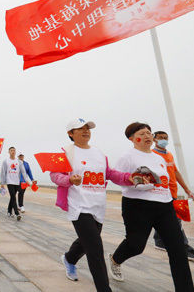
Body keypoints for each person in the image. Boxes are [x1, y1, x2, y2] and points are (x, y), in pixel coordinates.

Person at [108, 122, 194, 292]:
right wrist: (134, 180)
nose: (148, 135)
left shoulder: (159, 158)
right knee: (136, 245)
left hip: (164, 206)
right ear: (132, 138)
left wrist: (174, 199)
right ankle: (115, 260)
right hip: (137, 206)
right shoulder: (128, 157)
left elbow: (165, 181)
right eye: (143, 133)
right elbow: (116, 177)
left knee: (178, 250)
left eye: (149, 132)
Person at [51, 119, 133, 292]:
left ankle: (69, 259)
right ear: (70, 134)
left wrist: (128, 178)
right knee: (95, 247)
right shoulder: (65, 152)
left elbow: (109, 173)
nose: (85, 131)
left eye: (87, 128)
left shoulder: (98, 153)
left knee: (86, 241)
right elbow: (55, 175)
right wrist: (69, 179)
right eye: (80, 129)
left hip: (97, 205)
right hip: (78, 205)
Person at [152, 131, 194, 260]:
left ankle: (159, 242)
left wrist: (187, 190)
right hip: (161, 194)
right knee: (176, 221)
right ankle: (185, 248)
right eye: (161, 138)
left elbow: (175, 172)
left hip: (173, 193)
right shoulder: (153, 155)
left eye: (166, 138)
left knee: (164, 219)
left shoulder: (169, 155)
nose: (164, 140)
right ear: (154, 140)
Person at [0, 147, 33, 221]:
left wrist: (28, 181)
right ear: (9, 152)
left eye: (14, 150)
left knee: (13, 197)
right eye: (11, 150)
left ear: (15, 152)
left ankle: (9, 211)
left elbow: (24, 172)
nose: (13, 152)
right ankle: (17, 213)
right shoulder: (6, 161)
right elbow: (3, 172)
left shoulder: (19, 162)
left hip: (17, 182)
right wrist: (2, 183)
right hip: (9, 181)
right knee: (13, 196)